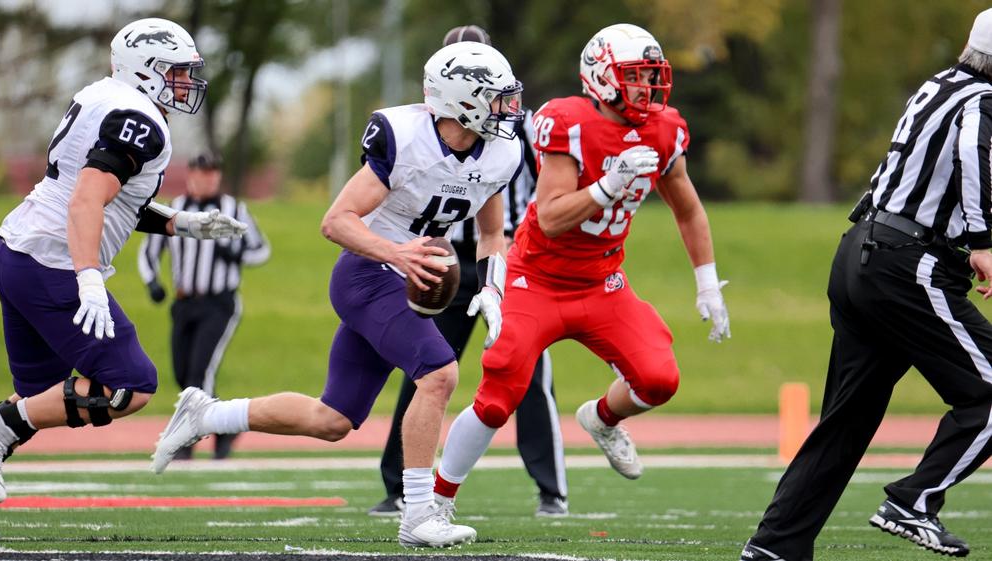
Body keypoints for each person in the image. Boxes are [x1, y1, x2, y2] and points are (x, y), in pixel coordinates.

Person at [151, 40, 526, 548]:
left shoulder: (501, 151)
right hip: (367, 273)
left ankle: (207, 414)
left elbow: (492, 234)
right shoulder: (406, 138)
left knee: (332, 419)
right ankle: (419, 513)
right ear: (463, 99)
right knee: (439, 374)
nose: (508, 109)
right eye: (498, 98)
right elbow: (336, 221)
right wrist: (396, 254)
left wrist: (493, 289)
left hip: (403, 276)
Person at [432, 23, 729, 515]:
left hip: (602, 283)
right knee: (498, 395)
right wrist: (609, 185)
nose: (647, 86)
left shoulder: (664, 129)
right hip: (536, 278)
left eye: (652, 75)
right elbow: (550, 218)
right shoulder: (569, 122)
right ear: (602, 76)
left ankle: (603, 419)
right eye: (636, 75)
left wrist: (707, 283)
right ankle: (437, 501)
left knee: (658, 379)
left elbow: (688, 209)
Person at [739, 10, 992, 561]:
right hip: (908, 265)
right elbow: (974, 158)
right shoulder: (981, 101)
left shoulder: (938, 86)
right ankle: (913, 503)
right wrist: (981, 242)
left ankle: (775, 546)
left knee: (847, 419)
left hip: (864, 250)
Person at [0, 18, 247, 502]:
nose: (185, 83)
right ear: (143, 69)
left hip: (16, 249)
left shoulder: (101, 95)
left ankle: (2, 430)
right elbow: (88, 199)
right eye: (176, 71)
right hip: (53, 261)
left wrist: (181, 223)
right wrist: (88, 277)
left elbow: (111, 197)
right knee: (130, 384)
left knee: (42, 392)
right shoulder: (141, 120)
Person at [368, 24, 569, 520]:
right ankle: (398, 485)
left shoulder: (517, 126)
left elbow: (548, 189)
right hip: (440, 260)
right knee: (425, 368)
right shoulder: (422, 127)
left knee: (526, 370)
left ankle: (551, 487)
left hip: (507, 256)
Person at [137, 152, 270, 461]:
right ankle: (226, 428)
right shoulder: (174, 208)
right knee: (182, 373)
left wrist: (236, 255)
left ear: (218, 177)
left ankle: (188, 439)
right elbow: (148, 252)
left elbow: (261, 250)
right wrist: (152, 282)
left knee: (199, 373)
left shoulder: (235, 209)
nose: (207, 179)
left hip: (219, 303)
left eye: (212, 173)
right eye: (201, 173)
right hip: (184, 302)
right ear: (191, 175)